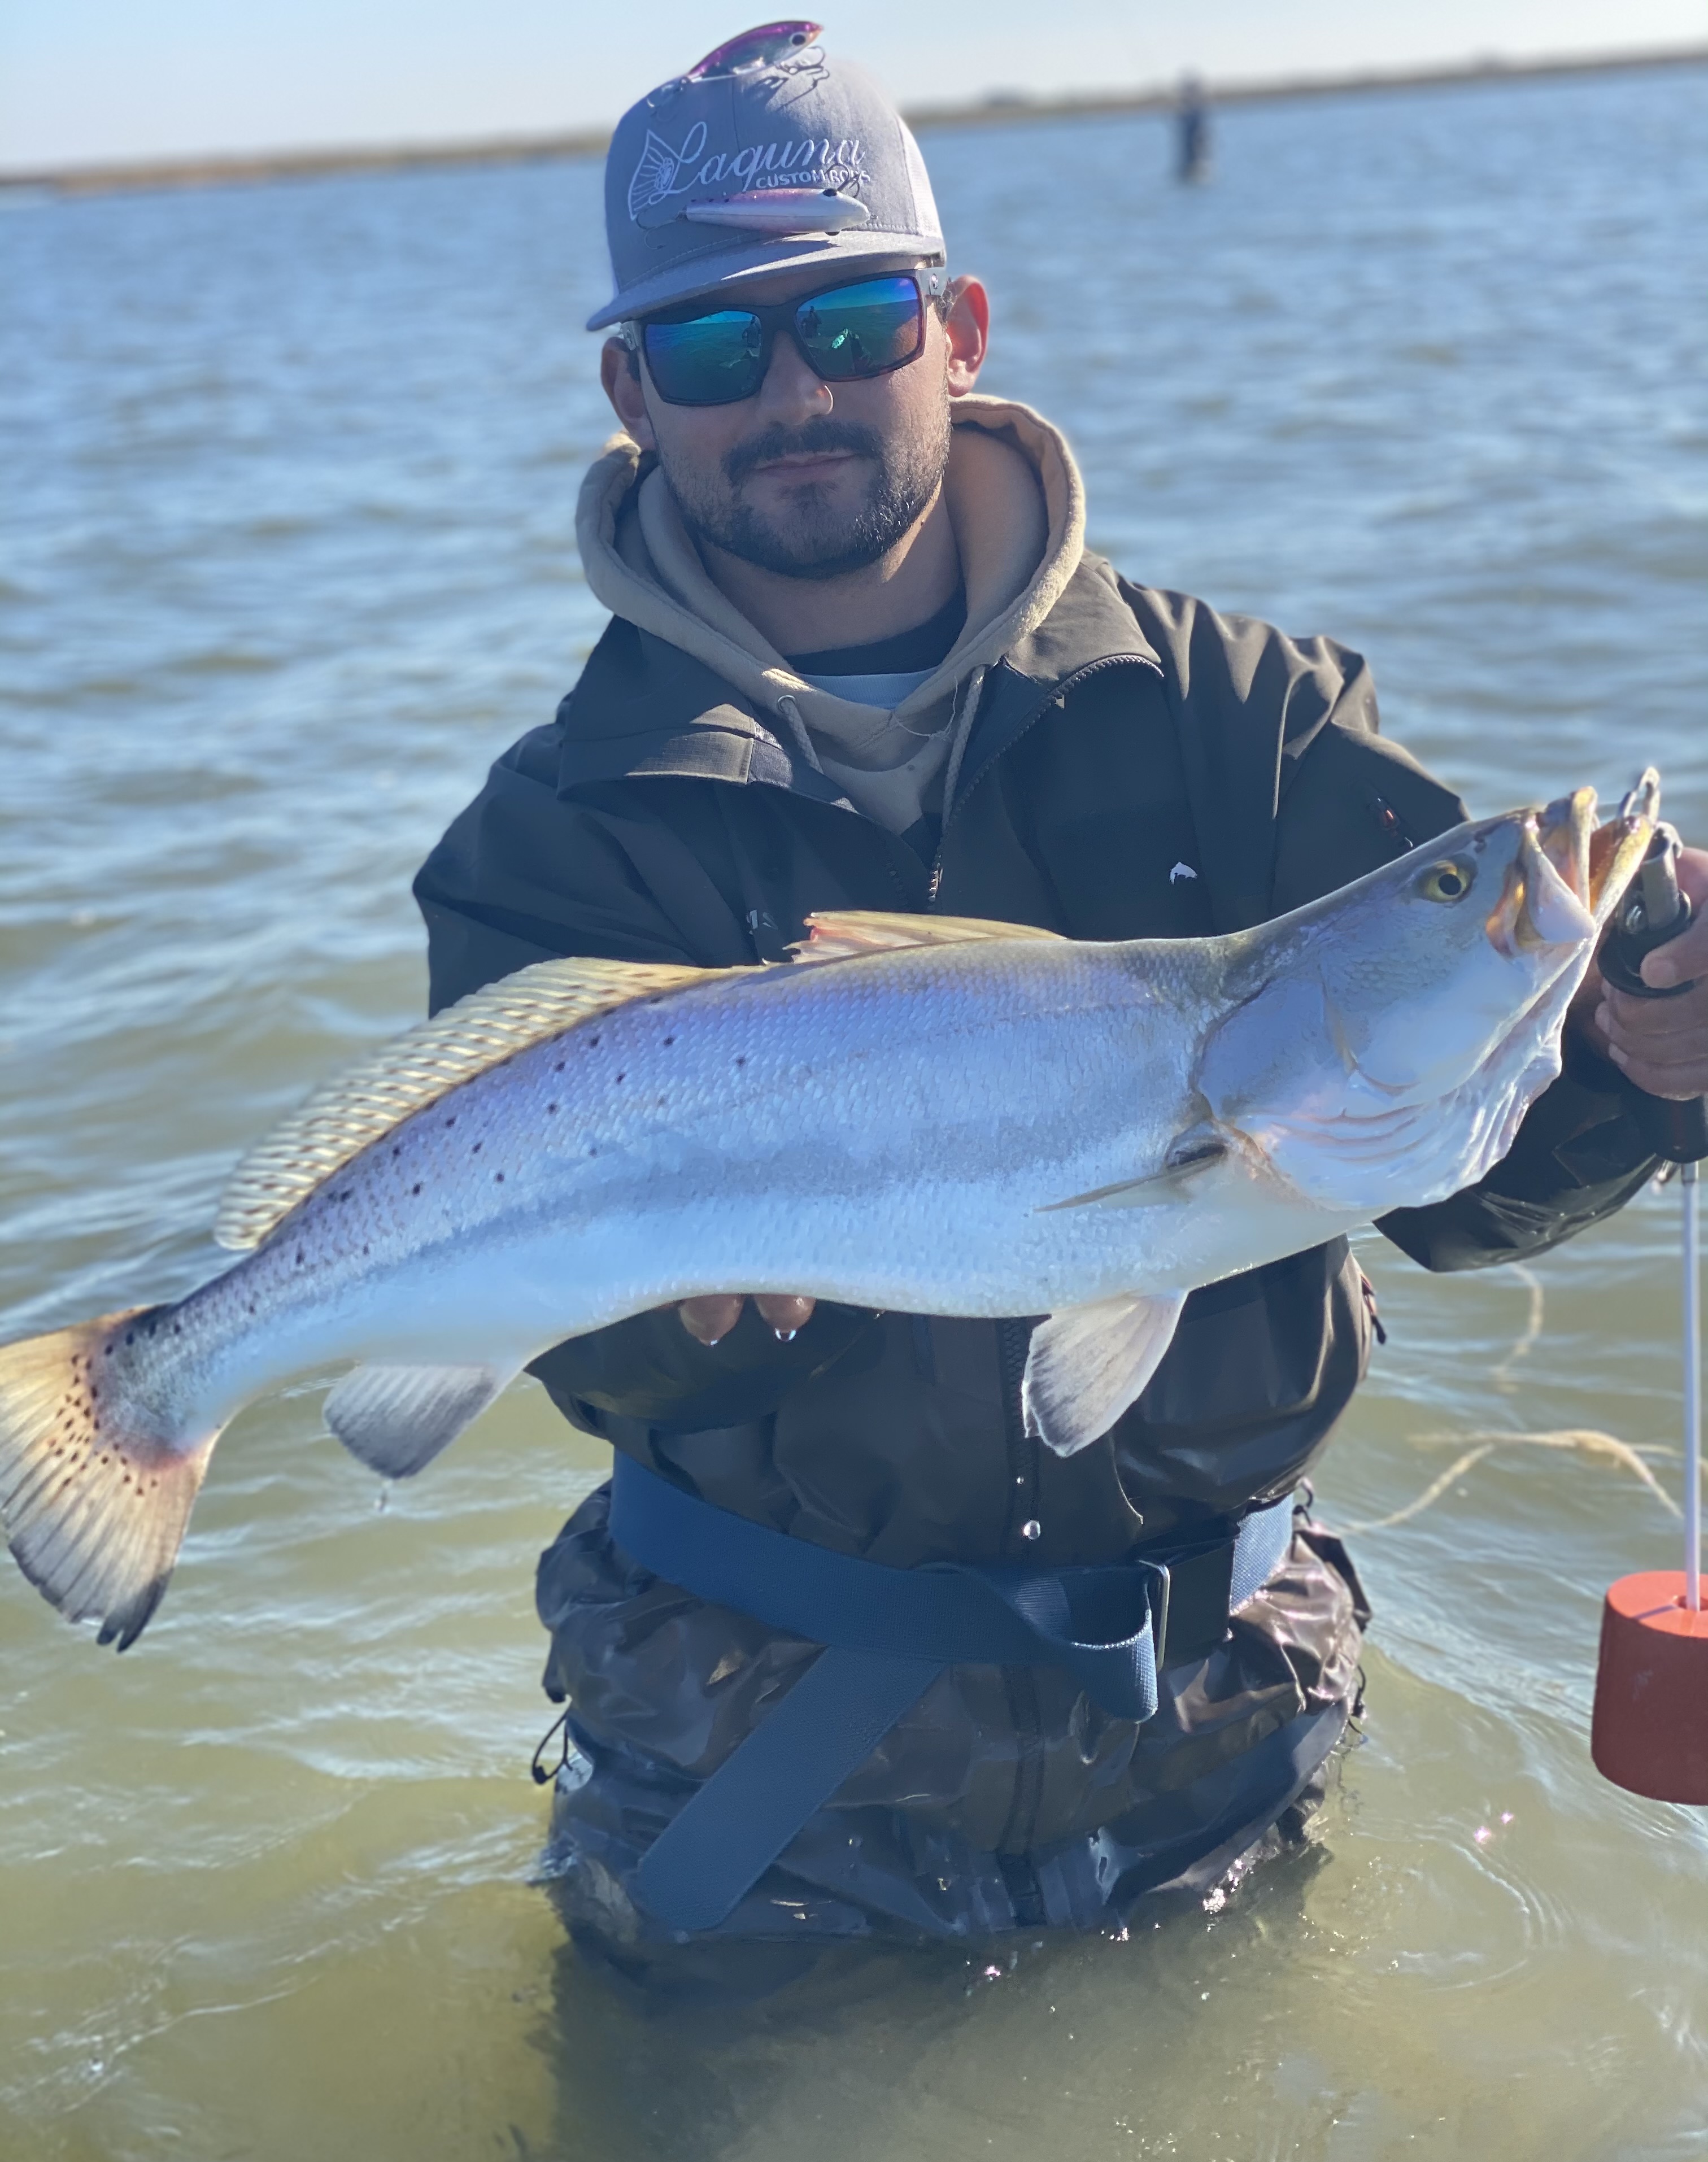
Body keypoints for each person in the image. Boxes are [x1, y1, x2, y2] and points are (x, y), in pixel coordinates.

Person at [415, 25, 1708, 1985]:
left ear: (962, 325)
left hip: (1226, 1720)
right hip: (748, 1768)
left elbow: (1451, 1186)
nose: (797, 393)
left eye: (853, 316)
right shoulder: (547, 838)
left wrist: (1627, 1060)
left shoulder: (1247, 719)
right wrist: (682, 1336)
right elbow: (579, 1361)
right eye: (712, 349)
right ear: (628, 394)